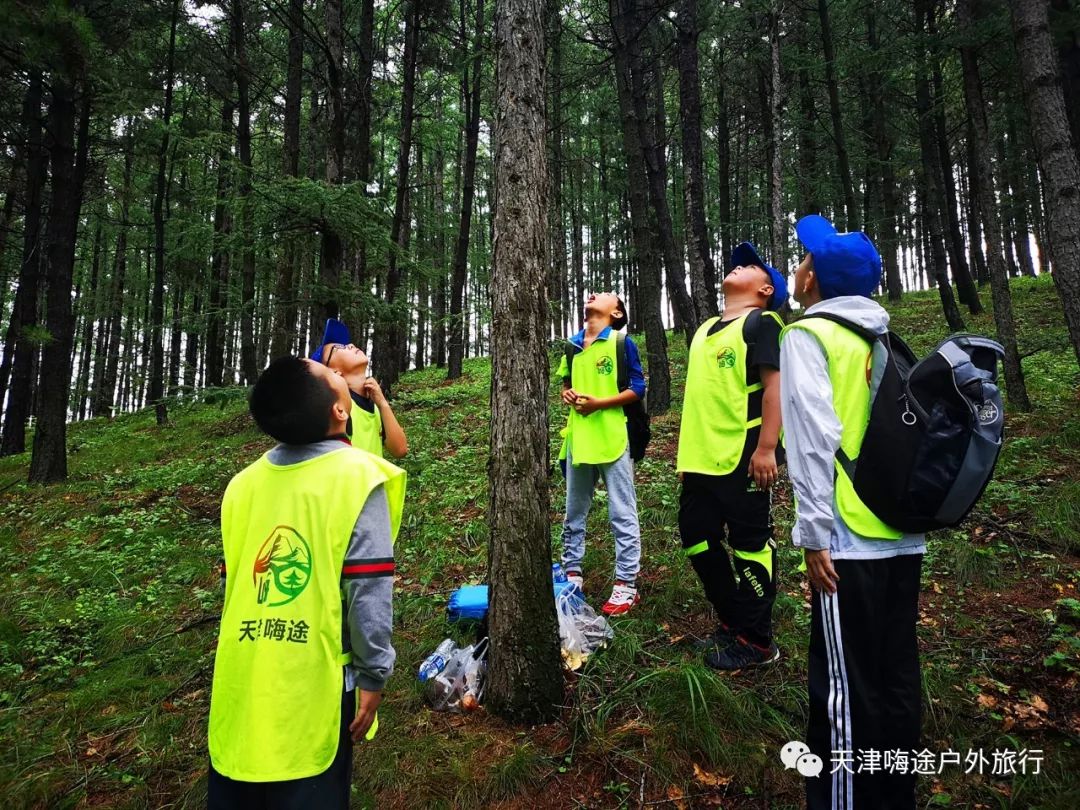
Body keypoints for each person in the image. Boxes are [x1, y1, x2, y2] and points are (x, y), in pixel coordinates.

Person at [207, 355, 406, 809]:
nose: (338, 372)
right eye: (334, 375)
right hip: (318, 683)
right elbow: (368, 589)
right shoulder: (358, 477)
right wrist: (374, 674)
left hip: (243, 680)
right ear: (341, 410)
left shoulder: (241, 485)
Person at [781, 215, 926, 810]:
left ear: (814, 278)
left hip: (845, 544)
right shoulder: (885, 337)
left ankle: (840, 802)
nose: (796, 265)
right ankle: (894, 797)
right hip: (902, 535)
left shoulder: (808, 337)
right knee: (895, 678)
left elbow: (814, 444)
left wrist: (814, 537)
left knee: (842, 689)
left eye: (804, 258)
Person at [676, 242, 787, 670]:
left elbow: (775, 387)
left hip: (743, 457)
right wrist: (687, 460)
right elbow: (700, 400)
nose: (738, 265)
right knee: (695, 536)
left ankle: (758, 641)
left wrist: (767, 448)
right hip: (701, 461)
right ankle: (733, 619)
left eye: (751, 266)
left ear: (765, 289)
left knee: (749, 543)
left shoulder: (764, 323)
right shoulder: (704, 329)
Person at [556, 292, 646, 616]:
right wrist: (569, 394)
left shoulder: (622, 344)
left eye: (606, 294)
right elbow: (567, 382)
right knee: (574, 511)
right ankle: (572, 575)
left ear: (617, 311)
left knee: (622, 511)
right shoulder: (572, 345)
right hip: (579, 438)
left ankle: (626, 584)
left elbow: (637, 388)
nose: (594, 294)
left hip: (613, 436)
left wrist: (599, 404)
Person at [311, 318, 408, 459]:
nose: (350, 345)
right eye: (338, 348)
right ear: (333, 372)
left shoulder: (374, 405)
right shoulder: (336, 409)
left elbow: (400, 450)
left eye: (347, 344)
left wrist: (382, 404)